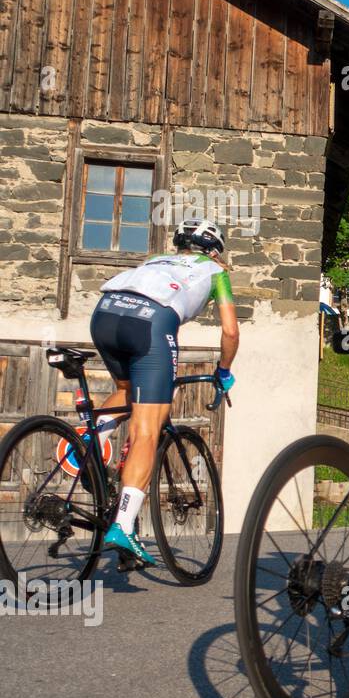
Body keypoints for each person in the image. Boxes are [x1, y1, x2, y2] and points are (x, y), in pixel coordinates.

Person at [90, 218, 239, 568]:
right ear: (215, 251)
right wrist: (224, 371)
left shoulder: (154, 260)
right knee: (146, 429)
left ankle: (89, 443)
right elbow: (230, 333)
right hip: (150, 325)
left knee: (128, 390)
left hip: (104, 315)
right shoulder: (216, 271)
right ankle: (124, 525)